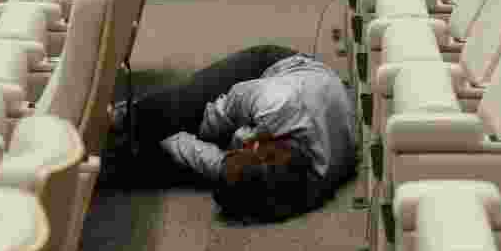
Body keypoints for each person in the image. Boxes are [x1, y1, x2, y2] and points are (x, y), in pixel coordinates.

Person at [101, 44, 357, 223]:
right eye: (245, 149)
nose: (245, 147)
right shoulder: (274, 104)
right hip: (279, 67)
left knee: (171, 164)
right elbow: (216, 116)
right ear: (261, 151)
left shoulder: (297, 188)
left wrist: (169, 142)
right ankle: (116, 117)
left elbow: (218, 165)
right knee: (184, 106)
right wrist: (180, 128)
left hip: (306, 111)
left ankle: (107, 163)